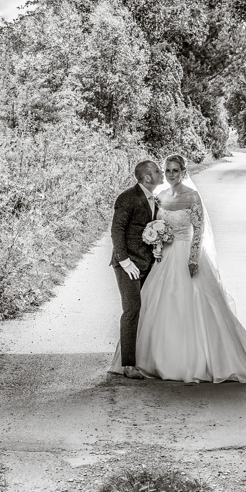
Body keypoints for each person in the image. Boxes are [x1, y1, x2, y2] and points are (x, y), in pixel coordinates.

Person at [134, 153, 246, 383]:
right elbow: (160, 225)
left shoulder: (192, 196)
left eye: (175, 170)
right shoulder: (161, 196)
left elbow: (199, 230)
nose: (171, 174)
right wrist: (156, 240)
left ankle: (197, 360)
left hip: (187, 253)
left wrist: (193, 259)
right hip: (164, 257)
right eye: (167, 170)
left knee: (196, 304)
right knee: (158, 303)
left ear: (183, 172)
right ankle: (157, 358)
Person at [108, 159, 165, 379]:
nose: (161, 174)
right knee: (132, 310)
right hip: (128, 265)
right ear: (148, 177)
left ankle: (146, 357)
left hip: (148, 263)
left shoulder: (156, 199)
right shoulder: (127, 198)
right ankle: (128, 365)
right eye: (158, 171)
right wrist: (124, 261)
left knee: (148, 311)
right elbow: (117, 231)